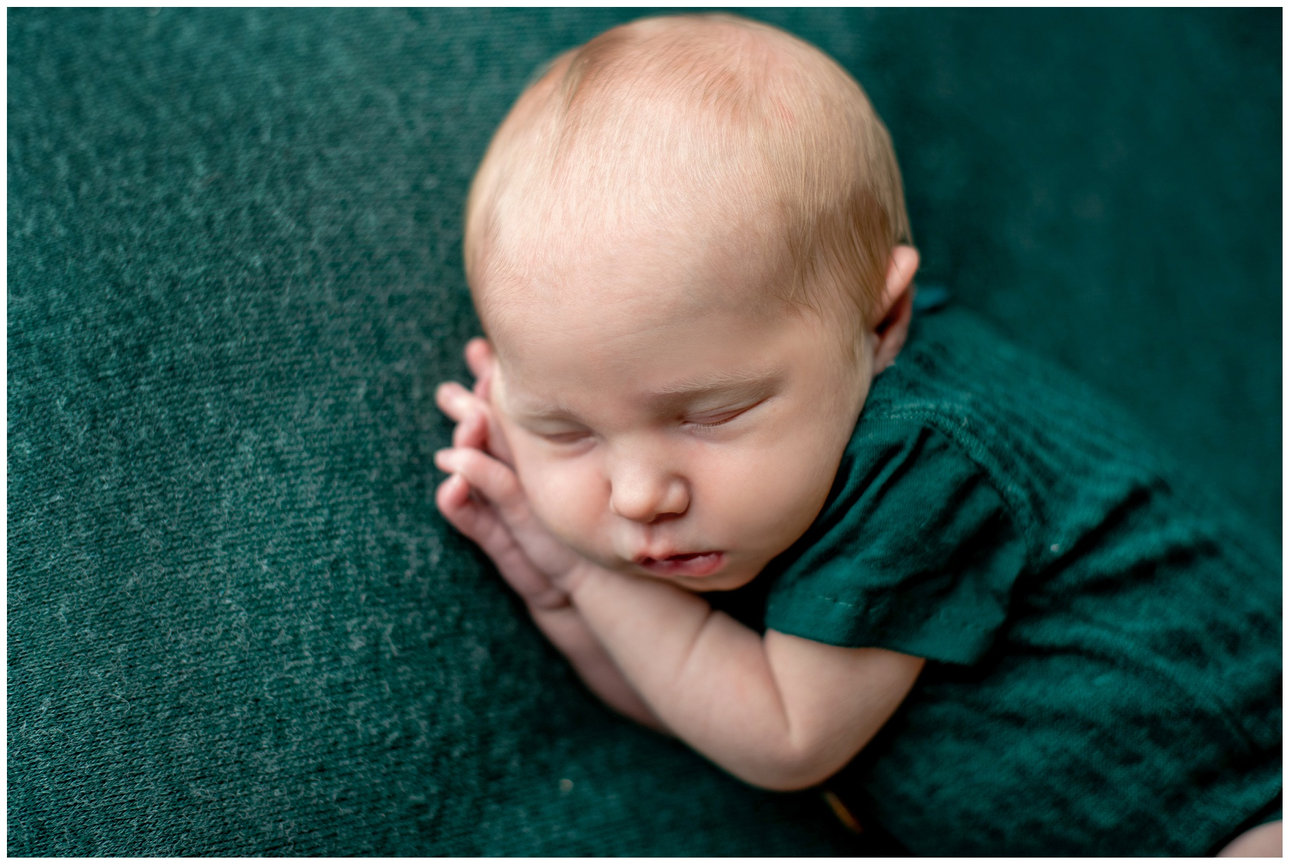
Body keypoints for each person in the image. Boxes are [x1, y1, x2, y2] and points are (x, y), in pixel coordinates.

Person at [433, 13, 1281, 856]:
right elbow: (694, 704)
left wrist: (589, 576)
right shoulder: (760, 476)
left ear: (881, 321)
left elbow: (783, 735)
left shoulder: (921, 454)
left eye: (712, 414)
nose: (639, 493)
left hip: (1244, 802)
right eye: (565, 428)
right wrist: (561, 592)